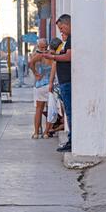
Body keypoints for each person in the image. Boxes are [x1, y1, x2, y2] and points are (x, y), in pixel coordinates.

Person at [42, 14, 72, 152]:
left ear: (67, 24)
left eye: (61, 28)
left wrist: (52, 56)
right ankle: (72, 138)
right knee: (68, 112)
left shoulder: (72, 39)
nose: (61, 32)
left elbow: (68, 56)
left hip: (68, 82)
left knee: (70, 112)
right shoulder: (68, 40)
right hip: (65, 82)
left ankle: (73, 140)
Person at [29, 38, 53, 139]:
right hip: (49, 84)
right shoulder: (51, 54)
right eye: (41, 47)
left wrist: (36, 74)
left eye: (44, 47)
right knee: (50, 109)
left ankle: (36, 133)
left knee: (39, 109)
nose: (43, 49)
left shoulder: (37, 55)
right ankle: (46, 132)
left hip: (40, 85)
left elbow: (30, 64)